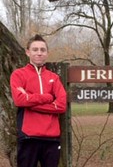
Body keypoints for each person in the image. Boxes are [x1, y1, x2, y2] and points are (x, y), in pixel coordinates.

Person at [10, 34, 67, 167]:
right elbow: (19, 101)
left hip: (51, 138)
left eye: (42, 50)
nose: (39, 53)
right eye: (35, 49)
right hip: (28, 137)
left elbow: (61, 106)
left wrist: (30, 102)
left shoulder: (54, 78)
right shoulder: (18, 74)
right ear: (28, 52)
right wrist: (47, 98)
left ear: (47, 53)